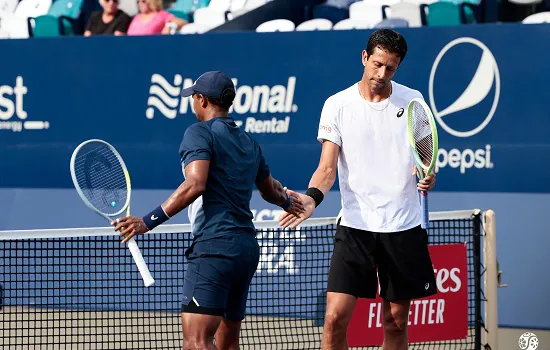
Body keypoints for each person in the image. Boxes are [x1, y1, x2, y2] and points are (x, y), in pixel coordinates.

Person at [113, 71, 304, 350]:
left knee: (196, 342)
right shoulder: (249, 142)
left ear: (201, 100)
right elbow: (271, 191)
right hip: (245, 251)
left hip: (214, 248)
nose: (192, 102)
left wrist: (147, 222)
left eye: (193, 97)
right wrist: (291, 203)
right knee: (227, 342)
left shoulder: (198, 133)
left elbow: (195, 184)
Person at [279, 29, 437, 350]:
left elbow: (426, 158)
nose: (381, 74)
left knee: (395, 322)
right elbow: (326, 169)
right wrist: (312, 198)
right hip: (355, 228)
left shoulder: (413, 101)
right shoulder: (337, 105)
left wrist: (429, 175)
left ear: (398, 67)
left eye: (390, 68)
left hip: (403, 227)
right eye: (377, 64)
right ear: (364, 58)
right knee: (334, 319)